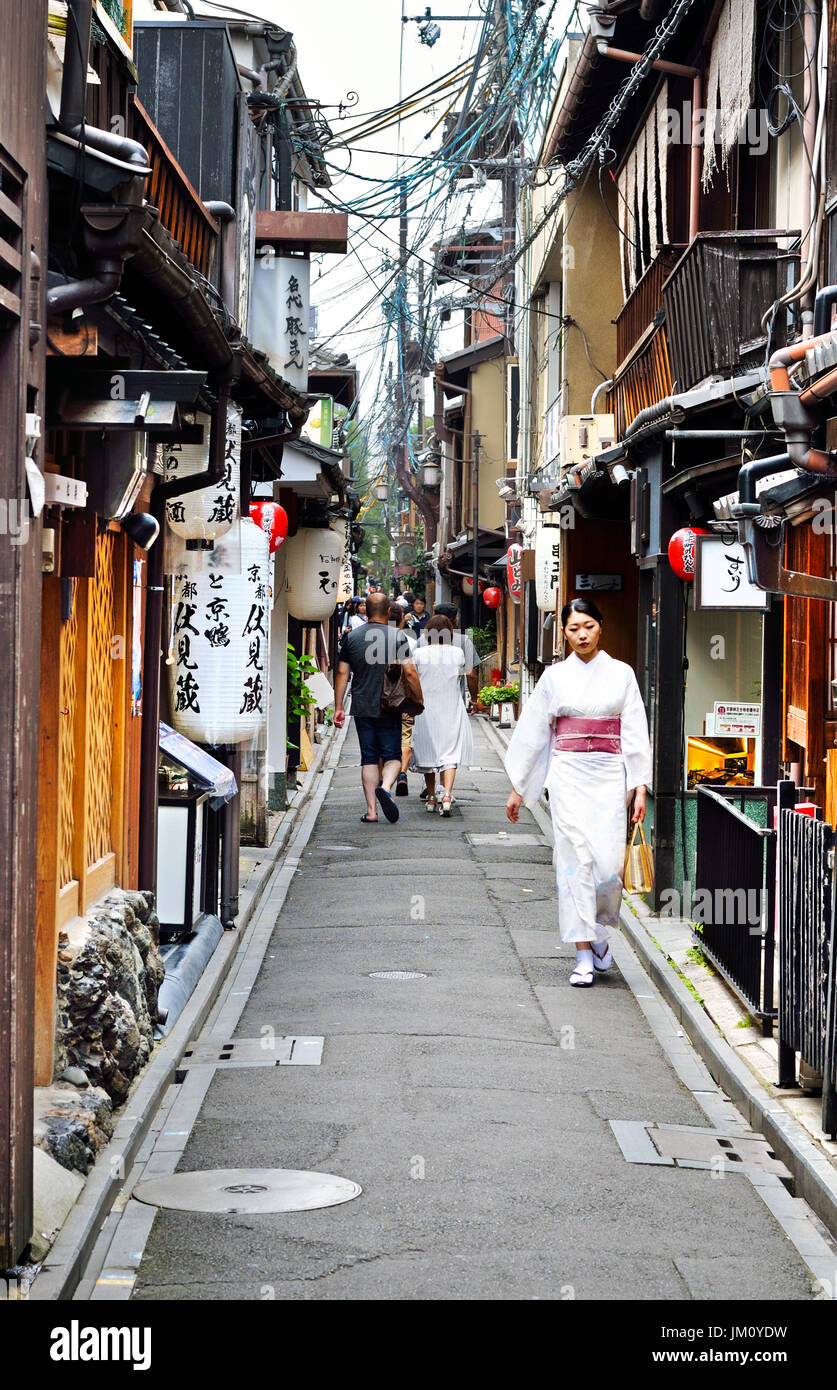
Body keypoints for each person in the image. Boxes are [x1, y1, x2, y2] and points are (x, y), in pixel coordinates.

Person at [504, 597, 652, 988]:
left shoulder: (621, 674)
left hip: (609, 776)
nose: (581, 634)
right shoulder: (554, 678)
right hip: (567, 774)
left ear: (600, 626)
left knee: (606, 865)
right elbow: (535, 732)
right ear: (564, 633)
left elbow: (635, 731)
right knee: (572, 861)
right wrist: (520, 787)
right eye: (573, 628)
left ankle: (601, 934)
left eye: (588, 625)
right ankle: (583, 952)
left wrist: (639, 785)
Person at [334, 593, 416, 824]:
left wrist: (339, 706)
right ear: (388, 612)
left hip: (362, 704)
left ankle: (371, 811)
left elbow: (342, 673)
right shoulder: (397, 636)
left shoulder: (352, 638)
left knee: (369, 757)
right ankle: (387, 787)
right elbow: (409, 671)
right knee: (392, 756)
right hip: (390, 705)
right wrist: (417, 698)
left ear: (366, 610)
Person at [410, 614, 474, 816]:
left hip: (425, 708)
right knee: (450, 752)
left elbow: (410, 678)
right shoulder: (457, 654)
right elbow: (470, 674)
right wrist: (475, 696)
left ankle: (430, 797)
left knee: (427, 751)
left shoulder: (419, 654)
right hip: (451, 707)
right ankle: (446, 795)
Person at [389, 602, 417, 796]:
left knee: (386, 736)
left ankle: (385, 779)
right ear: (403, 619)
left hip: (382, 698)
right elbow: (412, 672)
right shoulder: (412, 641)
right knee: (405, 735)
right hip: (404, 696)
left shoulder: (373, 638)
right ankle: (403, 773)